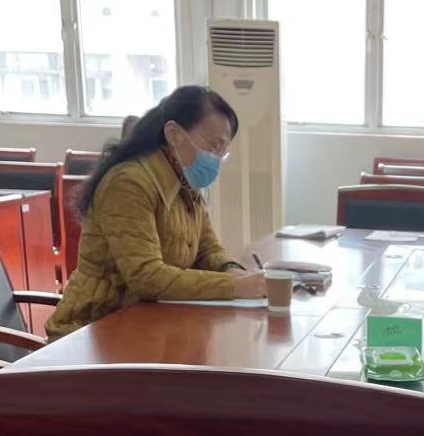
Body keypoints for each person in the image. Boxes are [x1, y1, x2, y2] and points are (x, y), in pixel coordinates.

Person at [47, 86, 263, 339]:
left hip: (147, 322)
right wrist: (234, 286)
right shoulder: (128, 183)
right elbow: (146, 276)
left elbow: (207, 250)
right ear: (174, 133)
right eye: (213, 145)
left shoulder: (184, 180)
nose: (215, 158)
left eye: (221, 151)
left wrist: (231, 269)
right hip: (93, 329)